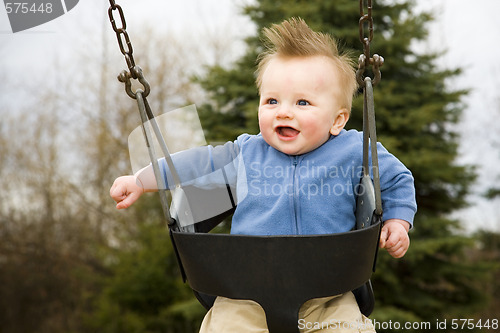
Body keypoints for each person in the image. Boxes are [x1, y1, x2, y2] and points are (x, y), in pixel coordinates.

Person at [110, 18, 417, 333]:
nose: (283, 111)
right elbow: (194, 164)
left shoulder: (354, 150)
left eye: (302, 102)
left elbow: (396, 179)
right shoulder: (247, 152)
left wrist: (397, 221)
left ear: (337, 120)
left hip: (330, 291)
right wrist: (142, 180)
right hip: (245, 292)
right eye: (271, 101)